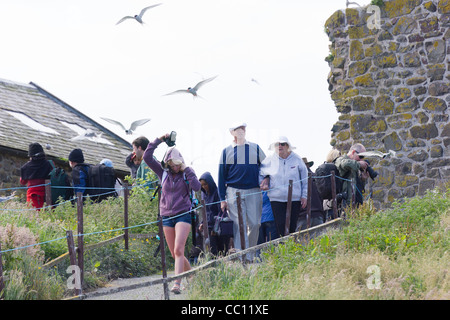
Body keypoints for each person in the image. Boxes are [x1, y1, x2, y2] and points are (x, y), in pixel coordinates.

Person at [143, 133, 201, 294]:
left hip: (183, 214)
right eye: (172, 164)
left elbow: (197, 187)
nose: (175, 167)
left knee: (178, 249)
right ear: (167, 163)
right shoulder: (163, 173)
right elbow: (147, 156)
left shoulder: (186, 172)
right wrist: (160, 140)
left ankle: (177, 284)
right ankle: (193, 275)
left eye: (178, 164)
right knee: (176, 254)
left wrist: (187, 170)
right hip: (166, 216)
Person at [218, 122, 266, 260]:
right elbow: (221, 176)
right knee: (239, 225)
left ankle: (250, 253)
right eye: (238, 128)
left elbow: (266, 165)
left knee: (255, 224)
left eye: (243, 128)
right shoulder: (226, 151)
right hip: (233, 190)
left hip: (253, 190)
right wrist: (222, 199)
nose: (242, 130)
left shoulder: (254, 147)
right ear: (232, 132)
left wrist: (266, 179)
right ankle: (241, 257)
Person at [260, 136, 308, 237]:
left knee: (292, 226)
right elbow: (261, 174)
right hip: (276, 198)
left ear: (287, 146)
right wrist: (265, 180)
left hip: (294, 198)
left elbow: (305, 179)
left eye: (283, 144)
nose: (280, 146)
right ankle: (283, 249)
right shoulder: (269, 160)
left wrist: (304, 195)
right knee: (280, 227)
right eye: (277, 144)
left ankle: (291, 248)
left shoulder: (297, 159)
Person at [199, 172, 231, 257]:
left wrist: (215, 227)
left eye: (205, 184)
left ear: (210, 182)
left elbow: (220, 210)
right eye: (202, 185)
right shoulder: (203, 194)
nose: (204, 187)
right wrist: (202, 222)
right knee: (212, 250)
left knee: (223, 250)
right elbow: (205, 211)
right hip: (209, 226)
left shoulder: (218, 192)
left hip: (220, 225)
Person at [20, 143, 53, 210]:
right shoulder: (48, 164)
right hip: (47, 194)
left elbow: (22, 182)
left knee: (33, 216)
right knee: (47, 214)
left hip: (32, 196)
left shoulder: (26, 167)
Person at [334, 143, 368, 208]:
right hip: (345, 206)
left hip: (357, 206)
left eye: (363, 158)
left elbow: (357, 188)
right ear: (353, 152)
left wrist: (362, 179)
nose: (361, 160)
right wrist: (359, 164)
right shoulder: (341, 160)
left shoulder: (354, 164)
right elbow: (343, 164)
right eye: (360, 156)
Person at [296, 157, 325, 231]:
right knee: (319, 241)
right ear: (308, 165)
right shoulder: (317, 177)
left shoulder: (297, 180)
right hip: (318, 214)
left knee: (302, 241)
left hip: (303, 216)